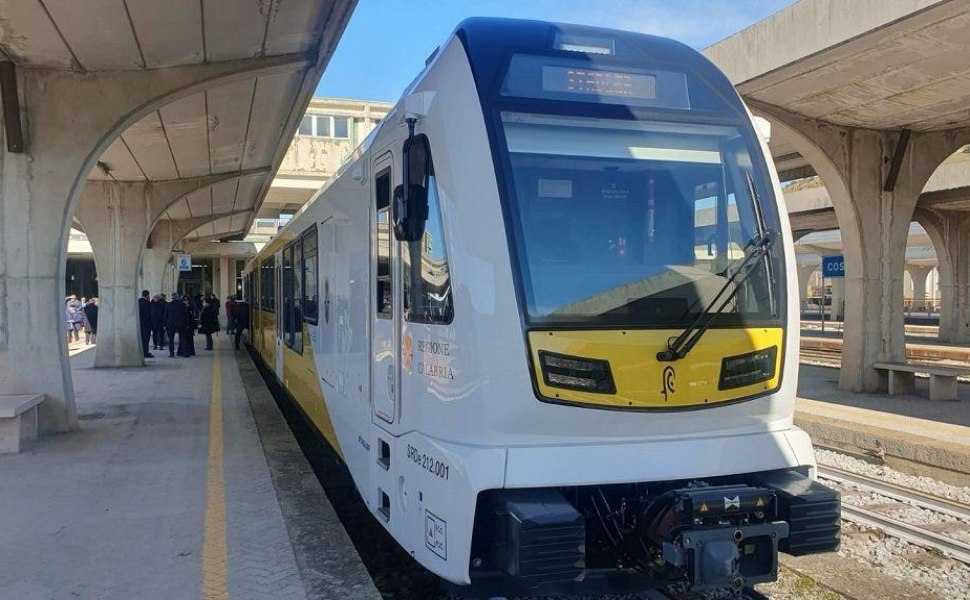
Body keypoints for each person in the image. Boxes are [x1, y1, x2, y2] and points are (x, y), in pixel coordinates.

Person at [165, 294, 186, 358]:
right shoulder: (182, 305)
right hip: (181, 323)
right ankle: (183, 352)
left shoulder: (168, 305)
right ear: (178, 298)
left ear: (172, 298)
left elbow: (165, 315)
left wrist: (164, 324)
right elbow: (185, 315)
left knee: (171, 339)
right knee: (182, 338)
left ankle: (172, 353)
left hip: (170, 323)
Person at [138, 290, 154, 358]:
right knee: (146, 340)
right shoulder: (147, 303)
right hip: (146, 325)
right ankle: (145, 353)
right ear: (147, 295)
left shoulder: (138, 301)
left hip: (140, 324)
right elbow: (149, 314)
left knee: (141, 339)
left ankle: (141, 352)